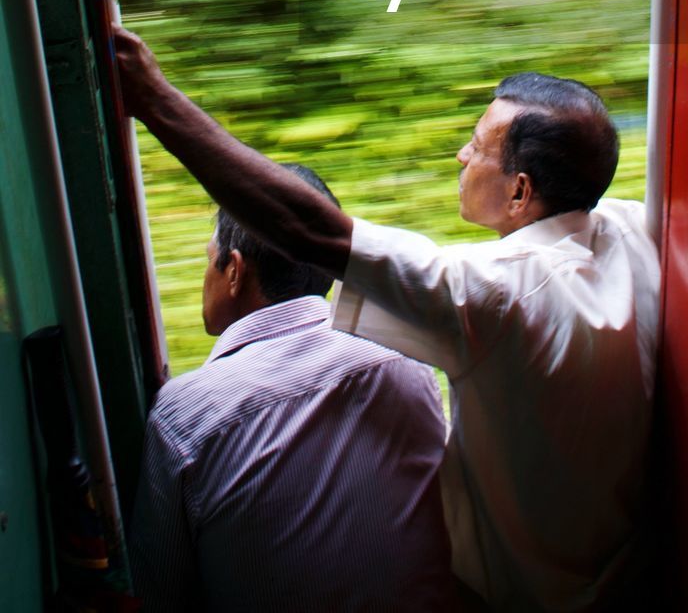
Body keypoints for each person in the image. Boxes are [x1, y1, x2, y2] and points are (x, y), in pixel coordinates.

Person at [116, 29, 660, 612]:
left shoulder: (491, 296)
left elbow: (311, 230)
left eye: (477, 148)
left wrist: (154, 100)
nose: (461, 156)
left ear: (520, 191)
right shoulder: (633, 229)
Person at [131, 163, 455, 613]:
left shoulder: (185, 414)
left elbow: (158, 592)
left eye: (210, 258)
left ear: (234, 272)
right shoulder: (408, 363)